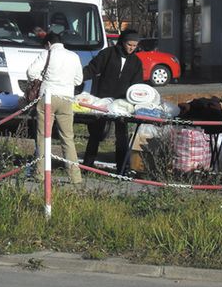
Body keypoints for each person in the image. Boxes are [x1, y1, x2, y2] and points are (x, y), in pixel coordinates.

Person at [82, 29, 143, 174]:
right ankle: (87, 166)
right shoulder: (108, 53)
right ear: (122, 42)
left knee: (121, 135)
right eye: (129, 44)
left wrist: (138, 99)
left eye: (135, 46)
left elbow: (137, 84)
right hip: (102, 99)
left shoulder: (136, 61)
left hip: (122, 103)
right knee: (96, 133)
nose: (132, 48)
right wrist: (76, 78)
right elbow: (91, 69)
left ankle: (121, 168)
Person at [26, 31, 84, 184]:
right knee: (67, 138)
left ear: (49, 44)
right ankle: (75, 177)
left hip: (47, 98)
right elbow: (78, 80)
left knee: (43, 137)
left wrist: (40, 79)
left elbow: (31, 72)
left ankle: (40, 173)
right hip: (66, 99)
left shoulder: (47, 54)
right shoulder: (74, 56)